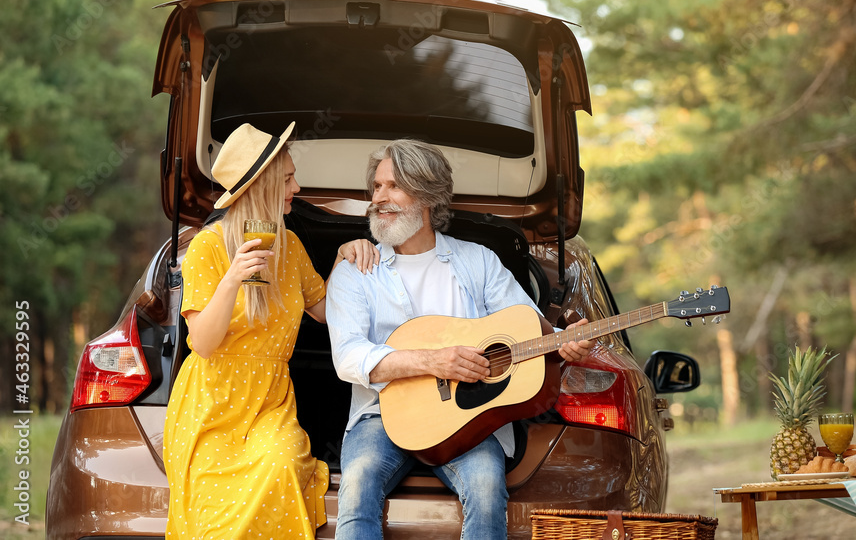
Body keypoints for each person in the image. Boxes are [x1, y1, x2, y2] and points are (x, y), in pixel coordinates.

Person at [326, 139, 593, 540]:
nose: (378, 198)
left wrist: (564, 342)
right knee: (358, 482)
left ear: (428, 196)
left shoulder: (478, 260)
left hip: (467, 419)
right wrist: (433, 361)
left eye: (393, 186)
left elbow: (528, 330)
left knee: (487, 488)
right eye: (376, 187)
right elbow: (348, 357)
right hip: (382, 414)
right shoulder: (356, 270)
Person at [163, 122, 377, 540]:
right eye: (287, 179)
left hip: (268, 403)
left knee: (279, 465)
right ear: (259, 186)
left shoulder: (290, 246)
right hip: (211, 405)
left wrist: (344, 255)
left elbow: (323, 312)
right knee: (213, 510)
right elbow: (203, 344)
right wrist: (232, 280)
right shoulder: (207, 247)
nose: (297, 187)